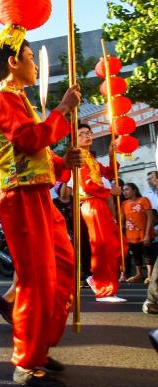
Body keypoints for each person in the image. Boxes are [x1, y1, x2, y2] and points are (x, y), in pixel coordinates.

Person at [0, 35, 81, 387]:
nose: (35, 64)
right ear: (13, 62)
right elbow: (28, 140)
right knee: (36, 279)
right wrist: (62, 111)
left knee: (64, 267)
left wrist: (64, 161)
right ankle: (26, 362)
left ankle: (38, 348)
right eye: (29, 56)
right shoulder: (3, 100)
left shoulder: (21, 99)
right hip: (20, 198)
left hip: (39, 194)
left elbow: (36, 153)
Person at [76, 124, 125, 302]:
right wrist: (110, 191)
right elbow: (87, 185)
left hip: (99, 203)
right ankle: (102, 286)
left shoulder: (91, 157)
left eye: (88, 133)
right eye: (81, 134)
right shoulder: (79, 157)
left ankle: (103, 283)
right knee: (103, 245)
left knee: (113, 243)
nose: (86, 136)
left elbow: (110, 172)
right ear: (75, 138)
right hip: (91, 203)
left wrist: (112, 154)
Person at [121, 183, 154, 284]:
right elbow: (122, 220)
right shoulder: (124, 203)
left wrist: (147, 234)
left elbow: (150, 217)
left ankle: (150, 275)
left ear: (134, 190)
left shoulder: (143, 200)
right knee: (136, 256)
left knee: (147, 255)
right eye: (123, 190)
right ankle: (139, 274)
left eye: (127, 189)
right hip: (131, 235)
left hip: (144, 234)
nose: (124, 192)